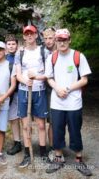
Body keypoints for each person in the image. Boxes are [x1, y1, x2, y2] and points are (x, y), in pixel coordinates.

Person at [45, 29, 92, 176]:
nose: (62, 42)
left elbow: (84, 79)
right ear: (56, 41)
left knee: (75, 130)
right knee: (57, 130)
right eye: (59, 40)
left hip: (74, 103)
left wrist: (67, 88)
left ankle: (79, 160)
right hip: (57, 103)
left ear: (69, 40)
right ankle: (58, 158)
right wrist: (58, 89)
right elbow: (49, 78)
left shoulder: (78, 56)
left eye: (64, 39)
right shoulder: (52, 57)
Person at [15, 25, 48, 168]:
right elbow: (17, 74)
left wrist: (37, 77)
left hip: (39, 91)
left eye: (31, 33)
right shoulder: (19, 53)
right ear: (24, 36)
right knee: (26, 125)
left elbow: (48, 73)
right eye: (26, 34)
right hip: (24, 90)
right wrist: (24, 80)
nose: (29, 36)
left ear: (36, 35)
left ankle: (43, 153)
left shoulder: (43, 51)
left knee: (41, 125)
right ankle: (27, 154)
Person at [5, 35, 22, 155]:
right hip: (10, 93)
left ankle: (28, 142)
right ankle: (17, 142)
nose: (11, 46)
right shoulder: (4, 58)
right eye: (9, 44)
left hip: (22, 90)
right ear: (6, 46)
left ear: (17, 45)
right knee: (13, 119)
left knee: (25, 118)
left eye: (13, 44)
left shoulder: (22, 56)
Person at [42, 27, 57, 160]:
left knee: (61, 120)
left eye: (50, 38)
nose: (48, 41)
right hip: (47, 89)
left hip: (63, 88)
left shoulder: (62, 51)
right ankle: (52, 147)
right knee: (51, 121)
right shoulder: (43, 52)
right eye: (45, 38)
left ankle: (59, 146)